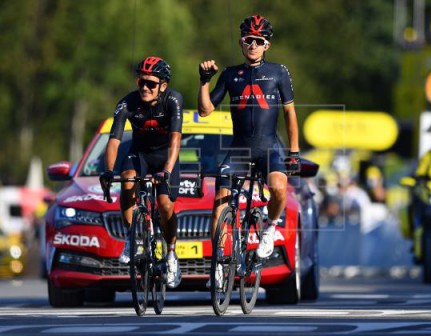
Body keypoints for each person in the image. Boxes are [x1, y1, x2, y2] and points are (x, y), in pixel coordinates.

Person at [197, 15, 300, 288]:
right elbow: (205, 110)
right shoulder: (230, 74)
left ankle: (270, 228)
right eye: (247, 40)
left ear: (266, 45)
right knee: (219, 202)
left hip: (268, 147)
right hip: (240, 150)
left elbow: (290, 113)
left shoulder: (279, 72)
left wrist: (295, 151)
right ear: (241, 43)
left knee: (279, 187)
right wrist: (204, 81)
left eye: (258, 41)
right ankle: (218, 264)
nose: (252, 45)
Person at [99, 56, 183, 289]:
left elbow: (176, 137)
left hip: (166, 155)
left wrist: (167, 170)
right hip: (140, 154)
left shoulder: (173, 100)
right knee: (127, 181)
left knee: (165, 205)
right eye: (141, 82)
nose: (145, 88)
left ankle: (172, 254)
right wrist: (107, 170)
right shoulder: (127, 103)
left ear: (163, 86)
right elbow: (114, 140)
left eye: (151, 84)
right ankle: (131, 237)